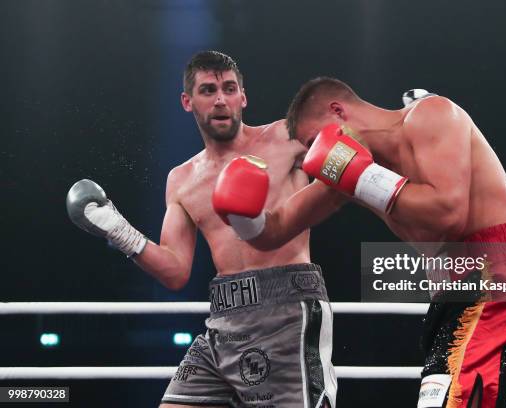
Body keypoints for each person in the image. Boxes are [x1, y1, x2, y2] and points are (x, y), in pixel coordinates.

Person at [214, 77, 506, 408]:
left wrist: (361, 175)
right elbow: (274, 230)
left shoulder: (431, 115)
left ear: (338, 112)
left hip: (501, 287)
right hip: (455, 306)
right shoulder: (352, 172)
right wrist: (244, 216)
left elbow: (448, 213)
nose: (319, 157)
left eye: (314, 142)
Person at [66, 52, 337, 408]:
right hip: (222, 321)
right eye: (208, 90)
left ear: (243, 96)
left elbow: (352, 161)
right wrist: (118, 231)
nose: (221, 99)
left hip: (286, 310)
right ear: (187, 101)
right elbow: (176, 271)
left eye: (229, 88)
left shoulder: (287, 138)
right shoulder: (181, 179)